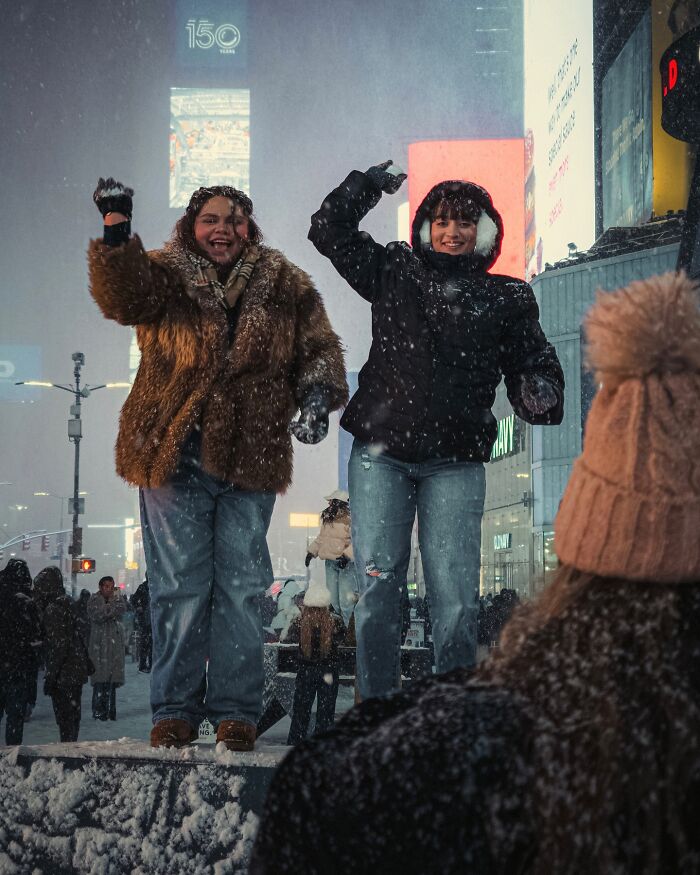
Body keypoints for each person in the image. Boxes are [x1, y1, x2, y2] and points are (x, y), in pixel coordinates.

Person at [249, 271, 700, 874]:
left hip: (446, 466)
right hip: (407, 459)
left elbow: (312, 796)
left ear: (588, 546)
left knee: (442, 605)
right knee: (416, 606)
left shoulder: (401, 771)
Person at [88, 178, 348, 750]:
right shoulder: (164, 272)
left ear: (248, 226)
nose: (222, 229)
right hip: (172, 449)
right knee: (180, 587)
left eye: (233, 219)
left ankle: (236, 710)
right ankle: (175, 708)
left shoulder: (284, 281)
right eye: (211, 218)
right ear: (192, 225)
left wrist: (314, 397)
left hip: (249, 455)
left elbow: (321, 347)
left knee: (242, 587)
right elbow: (122, 297)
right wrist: (116, 229)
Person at [308, 160, 564, 700]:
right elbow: (329, 232)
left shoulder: (507, 297)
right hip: (382, 454)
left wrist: (538, 388)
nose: (453, 231)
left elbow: (532, 357)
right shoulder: (395, 270)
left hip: (456, 460)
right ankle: (376, 710)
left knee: (456, 597)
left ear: (485, 231)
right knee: (378, 589)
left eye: (465, 222)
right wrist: (367, 185)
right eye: (442, 220)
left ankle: (450, 714)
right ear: (425, 227)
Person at [284, 578, 346, 746]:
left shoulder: (298, 621)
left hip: (305, 672)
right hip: (329, 672)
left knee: (301, 713)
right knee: (326, 714)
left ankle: (294, 745)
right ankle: (323, 746)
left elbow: (287, 643)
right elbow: (344, 642)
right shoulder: (336, 621)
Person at [36, 566, 92, 742]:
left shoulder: (53, 609)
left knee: (65, 719)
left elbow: (59, 646)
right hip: (75, 668)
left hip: (64, 672)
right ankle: (70, 747)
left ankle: (67, 753)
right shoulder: (69, 603)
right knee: (73, 717)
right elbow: (77, 634)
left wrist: (51, 676)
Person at [0, 559, 43, 745]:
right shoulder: (26, 602)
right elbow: (37, 635)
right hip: (18, 666)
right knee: (15, 716)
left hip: (6, 662)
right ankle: (12, 756)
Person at [304, 490, 357, 625]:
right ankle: (337, 629)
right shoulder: (328, 519)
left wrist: (346, 556)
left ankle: (348, 631)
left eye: (331, 500)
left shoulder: (351, 520)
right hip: (330, 563)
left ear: (338, 502)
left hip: (345, 564)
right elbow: (321, 539)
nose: (328, 503)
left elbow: (357, 541)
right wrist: (311, 552)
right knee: (333, 600)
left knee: (346, 601)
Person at [88, 576, 126, 722]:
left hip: (114, 646)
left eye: (111, 586)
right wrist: (110, 608)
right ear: (100, 587)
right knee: (99, 682)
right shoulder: (93, 600)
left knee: (112, 682)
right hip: (99, 646)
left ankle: (111, 711)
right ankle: (99, 711)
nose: (109, 589)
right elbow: (97, 615)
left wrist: (111, 606)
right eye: (106, 586)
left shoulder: (118, 599)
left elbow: (121, 609)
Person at [129, 577, 152, 673]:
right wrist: (139, 608)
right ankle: (144, 664)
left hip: (152, 619)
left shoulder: (154, 585)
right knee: (146, 643)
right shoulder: (144, 587)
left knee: (151, 643)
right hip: (146, 620)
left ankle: (150, 664)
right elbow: (133, 599)